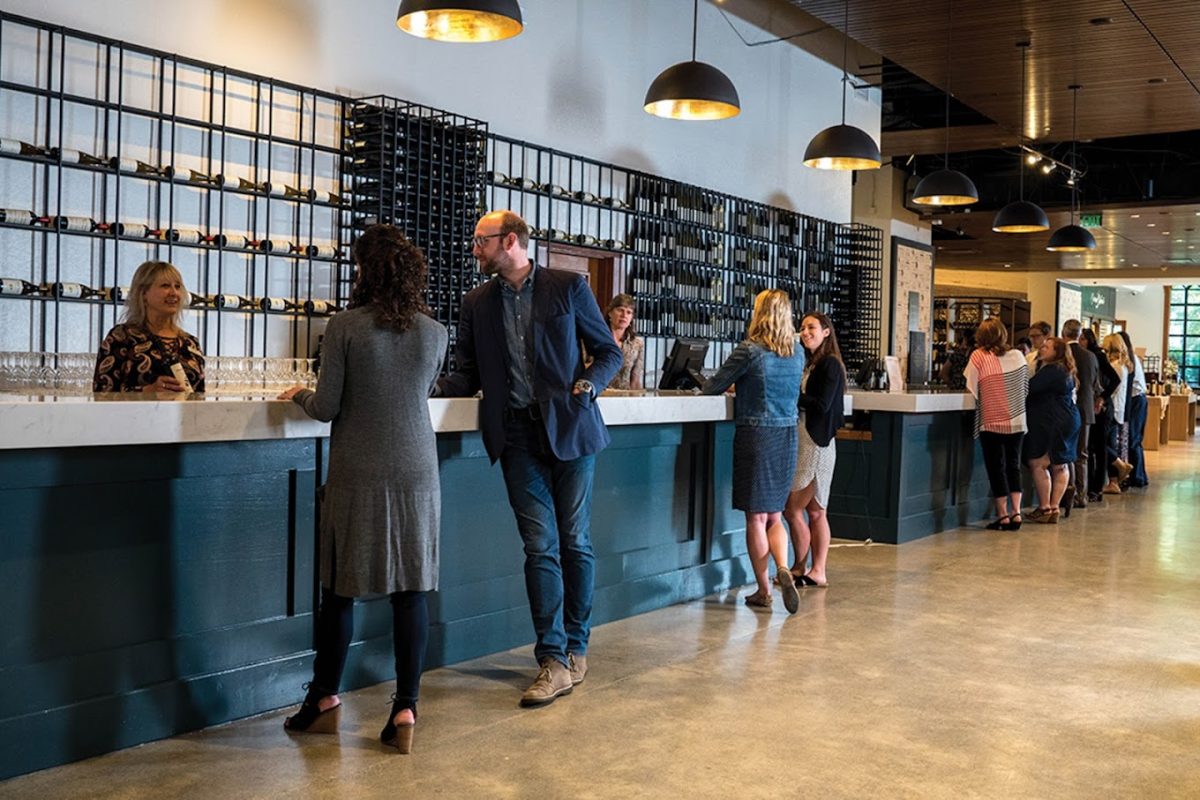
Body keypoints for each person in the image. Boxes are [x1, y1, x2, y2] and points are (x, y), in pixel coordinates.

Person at [436, 210, 622, 707]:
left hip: (571, 429)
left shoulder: (567, 287)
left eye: (481, 241)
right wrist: (419, 386)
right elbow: (466, 372)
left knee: (574, 541)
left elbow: (607, 352)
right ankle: (553, 659)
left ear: (510, 241)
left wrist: (588, 386)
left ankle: (577, 647)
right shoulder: (475, 302)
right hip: (515, 436)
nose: (474, 249)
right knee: (540, 546)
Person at [278, 224, 448, 754]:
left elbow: (328, 407)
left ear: (365, 271)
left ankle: (324, 699)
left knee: (341, 588)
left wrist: (299, 394)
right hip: (418, 469)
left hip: (360, 470)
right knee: (411, 589)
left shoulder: (346, 327)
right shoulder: (434, 331)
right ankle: (406, 708)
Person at [701, 290, 804, 613]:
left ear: (760, 313)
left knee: (755, 518)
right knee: (775, 513)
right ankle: (783, 567)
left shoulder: (750, 350)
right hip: (786, 435)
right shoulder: (797, 352)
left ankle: (763, 589)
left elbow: (712, 386)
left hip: (756, 435)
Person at [783, 311, 846, 588]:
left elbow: (822, 404)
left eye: (811, 327)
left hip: (816, 444)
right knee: (811, 510)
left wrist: (790, 395)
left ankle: (810, 567)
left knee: (797, 508)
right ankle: (806, 567)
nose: (804, 332)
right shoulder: (810, 363)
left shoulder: (830, 364)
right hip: (806, 441)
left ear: (826, 332)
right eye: (802, 327)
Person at [92, 260, 205, 393]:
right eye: (165, 286)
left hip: (185, 414)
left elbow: (199, 395)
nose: (174, 293)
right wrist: (146, 392)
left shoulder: (190, 343)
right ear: (144, 293)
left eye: (178, 286)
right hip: (136, 414)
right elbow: (101, 392)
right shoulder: (122, 336)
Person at [964, 318, 1028, 530]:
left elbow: (971, 387)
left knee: (996, 467)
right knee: (1013, 465)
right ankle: (1016, 512)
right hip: (1017, 420)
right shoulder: (1019, 355)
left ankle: (1002, 515)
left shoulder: (978, 356)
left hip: (991, 421)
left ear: (981, 337)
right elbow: (1025, 387)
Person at [1023, 337, 1081, 524]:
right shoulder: (1066, 370)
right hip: (1069, 418)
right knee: (1060, 464)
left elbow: (1029, 388)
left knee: (1038, 463)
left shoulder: (1051, 370)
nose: (1042, 348)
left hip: (1051, 419)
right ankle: (1055, 506)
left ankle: (1045, 507)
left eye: (1047, 347)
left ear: (1057, 353)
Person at [1062, 319, 1099, 510]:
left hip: (1065, 410)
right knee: (1082, 454)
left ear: (1063, 333)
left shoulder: (1062, 354)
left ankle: (1068, 493)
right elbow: (1096, 385)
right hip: (1085, 409)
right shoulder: (1091, 356)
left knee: (1065, 453)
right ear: (1079, 335)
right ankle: (1081, 496)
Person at [1083, 328, 1121, 503]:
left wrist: (1102, 397)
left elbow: (1115, 379)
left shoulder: (1097, 356)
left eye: (1082, 339)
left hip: (1102, 409)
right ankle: (1091, 486)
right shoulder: (1087, 356)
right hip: (1093, 407)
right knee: (1090, 449)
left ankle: (1096, 488)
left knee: (1099, 448)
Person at [1101, 333, 1133, 494]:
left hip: (1111, 409)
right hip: (1119, 410)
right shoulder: (1124, 365)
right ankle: (1113, 481)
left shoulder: (1114, 366)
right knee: (1110, 443)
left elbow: (1111, 389)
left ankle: (1120, 464)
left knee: (1101, 444)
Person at [1118, 330, 1149, 487]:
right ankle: (1140, 475)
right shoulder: (1134, 358)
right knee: (1135, 440)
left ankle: (1137, 476)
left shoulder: (1128, 360)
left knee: (1133, 439)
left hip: (1135, 401)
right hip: (1139, 400)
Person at [595, 293, 644, 390]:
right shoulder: (596, 337)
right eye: (620, 310)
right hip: (598, 396)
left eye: (629, 312)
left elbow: (635, 380)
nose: (624, 315)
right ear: (610, 313)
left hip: (623, 399)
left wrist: (639, 402)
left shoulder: (637, 344)